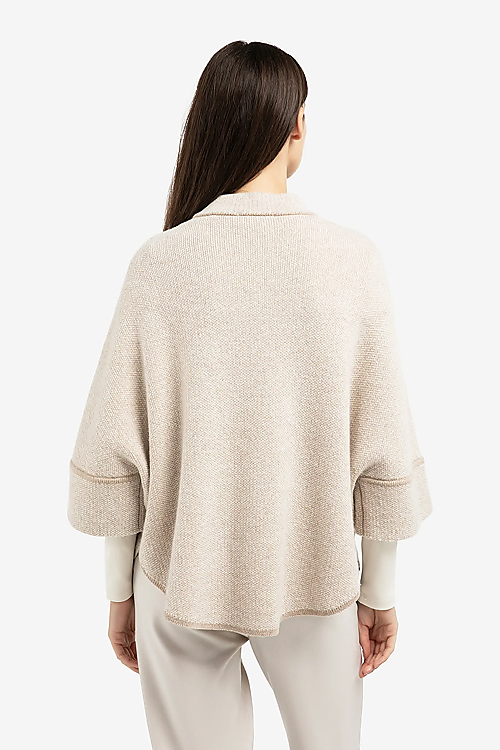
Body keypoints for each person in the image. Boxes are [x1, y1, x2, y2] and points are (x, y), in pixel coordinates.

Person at [67, 40, 432, 750]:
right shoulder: (353, 261)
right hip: (318, 574)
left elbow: (115, 448)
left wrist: (119, 592)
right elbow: (384, 451)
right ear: (296, 125)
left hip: (179, 573)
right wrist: (379, 592)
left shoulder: (159, 263)